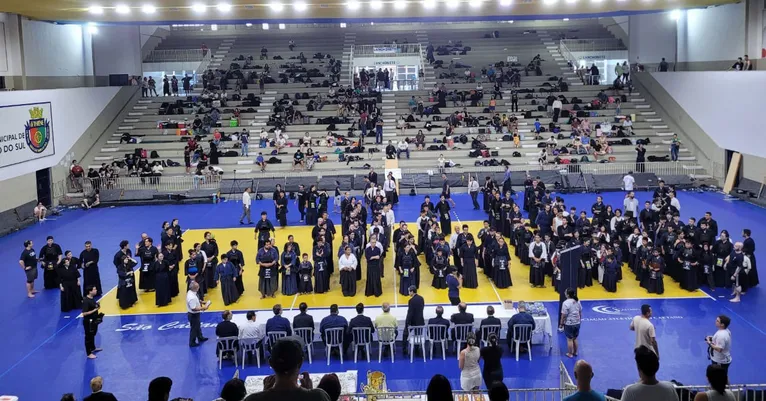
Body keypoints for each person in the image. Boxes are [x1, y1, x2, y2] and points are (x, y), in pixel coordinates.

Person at [560, 288, 582, 358]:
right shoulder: (577, 301)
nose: (564, 293)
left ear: (568, 294)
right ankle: (575, 352)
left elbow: (563, 315)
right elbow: (580, 312)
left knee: (569, 339)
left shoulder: (565, 303)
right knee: (575, 338)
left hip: (569, 324)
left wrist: (561, 323)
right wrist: (579, 320)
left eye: (565, 292)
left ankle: (570, 353)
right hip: (577, 323)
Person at [187, 281, 210, 347]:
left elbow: (196, 300)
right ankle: (192, 342)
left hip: (195, 314)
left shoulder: (192, 293)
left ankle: (200, 337)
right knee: (194, 328)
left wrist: (202, 302)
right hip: (193, 315)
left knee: (197, 326)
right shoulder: (191, 297)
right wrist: (203, 308)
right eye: (198, 287)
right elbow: (193, 308)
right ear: (195, 288)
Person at [82, 285, 102, 359]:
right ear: (90, 291)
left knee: (93, 334)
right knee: (88, 337)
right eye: (94, 289)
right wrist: (95, 310)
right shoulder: (86, 301)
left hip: (94, 321)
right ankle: (89, 353)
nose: (96, 290)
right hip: (88, 322)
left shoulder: (92, 299)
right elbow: (84, 313)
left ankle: (93, 348)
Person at [403, 285, 425, 352]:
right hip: (420, 321)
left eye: (409, 291)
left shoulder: (411, 301)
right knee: (418, 335)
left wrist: (407, 323)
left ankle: (404, 348)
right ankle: (417, 349)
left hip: (413, 322)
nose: (409, 293)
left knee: (405, 334)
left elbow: (410, 313)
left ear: (412, 291)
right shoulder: (421, 298)